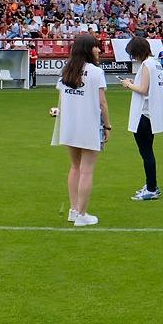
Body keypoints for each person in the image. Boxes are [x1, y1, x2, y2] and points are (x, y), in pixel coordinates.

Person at [53, 34, 110, 226]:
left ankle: (73, 209)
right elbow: (102, 102)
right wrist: (108, 125)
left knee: (75, 167)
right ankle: (82, 215)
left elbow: (62, 97)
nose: (99, 50)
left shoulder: (67, 69)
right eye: (96, 47)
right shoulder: (95, 71)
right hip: (89, 124)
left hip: (70, 125)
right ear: (88, 49)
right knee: (86, 170)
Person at [122, 36, 163, 201]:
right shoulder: (155, 63)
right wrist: (132, 82)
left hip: (144, 115)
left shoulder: (146, 64)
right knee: (148, 152)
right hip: (151, 114)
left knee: (146, 153)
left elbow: (144, 89)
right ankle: (151, 185)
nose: (133, 57)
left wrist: (128, 84)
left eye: (133, 54)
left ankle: (151, 188)